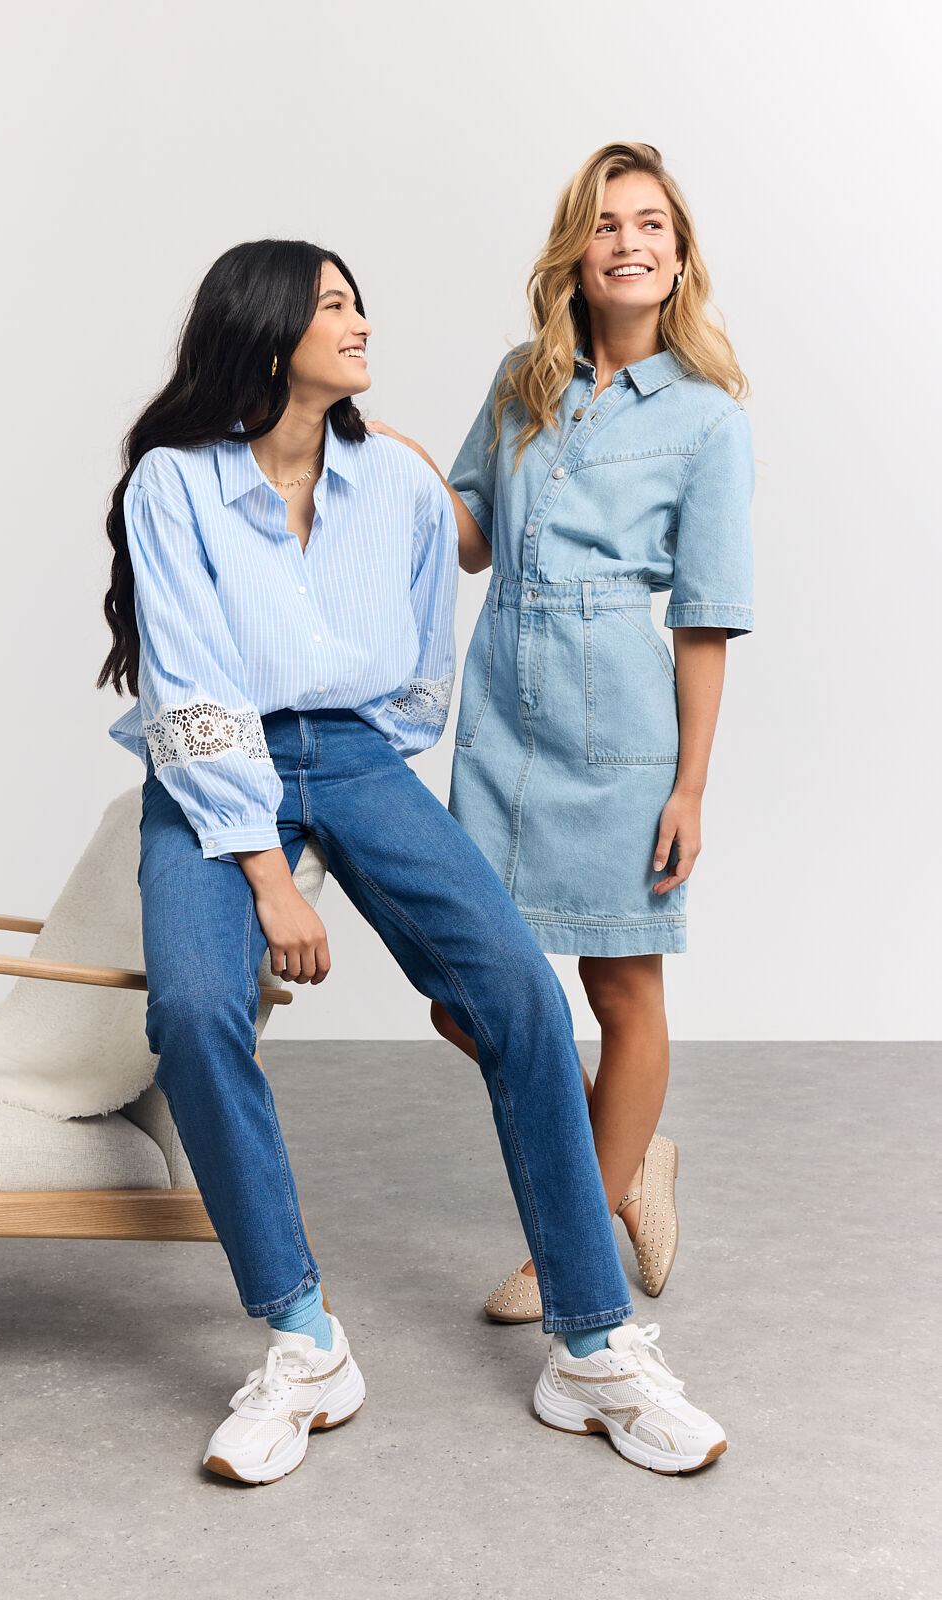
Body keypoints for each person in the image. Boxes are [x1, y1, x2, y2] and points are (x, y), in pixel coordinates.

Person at [99, 237, 728, 1483]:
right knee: (193, 1012)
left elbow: (418, 665)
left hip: (353, 753)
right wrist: (271, 870)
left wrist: (361, 806)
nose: (361, 323)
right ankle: (301, 1337)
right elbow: (188, 682)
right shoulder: (172, 483)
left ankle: (591, 1346)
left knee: (518, 997)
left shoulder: (391, 482)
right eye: (333, 305)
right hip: (213, 762)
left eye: (357, 301)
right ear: (267, 330)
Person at [368, 142, 755, 1318]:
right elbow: (472, 536)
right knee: (463, 987)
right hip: (499, 712)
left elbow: (703, 620)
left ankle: (568, 1241)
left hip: (619, 722)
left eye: (649, 223)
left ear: (678, 255)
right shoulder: (520, 379)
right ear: (573, 257)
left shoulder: (705, 421)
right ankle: (628, 1155)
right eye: (603, 225)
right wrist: (399, 460)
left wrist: (688, 786)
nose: (627, 241)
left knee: (619, 989)